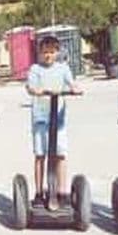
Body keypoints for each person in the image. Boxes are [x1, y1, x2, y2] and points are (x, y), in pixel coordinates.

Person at [25, 34, 83, 210]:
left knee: (60, 154)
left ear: (57, 52)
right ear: (39, 53)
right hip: (41, 118)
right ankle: (39, 192)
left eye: (51, 52)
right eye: (45, 52)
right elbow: (30, 87)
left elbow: (72, 83)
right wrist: (36, 90)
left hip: (59, 118)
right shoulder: (35, 69)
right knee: (40, 154)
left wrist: (75, 89)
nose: (48, 55)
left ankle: (62, 191)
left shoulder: (63, 68)